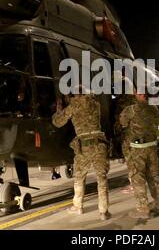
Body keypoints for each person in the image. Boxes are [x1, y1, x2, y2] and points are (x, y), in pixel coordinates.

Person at [52, 90, 111, 220]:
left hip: (83, 147)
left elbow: (58, 122)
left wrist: (58, 110)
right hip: (99, 144)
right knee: (102, 178)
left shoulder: (73, 107)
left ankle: (78, 206)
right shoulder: (96, 104)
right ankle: (103, 211)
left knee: (79, 177)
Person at [120, 92, 159, 219]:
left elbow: (122, 123)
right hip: (152, 148)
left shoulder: (130, 110)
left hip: (137, 150)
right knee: (154, 177)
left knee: (138, 178)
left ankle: (143, 208)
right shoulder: (154, 108)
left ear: (138, 94)